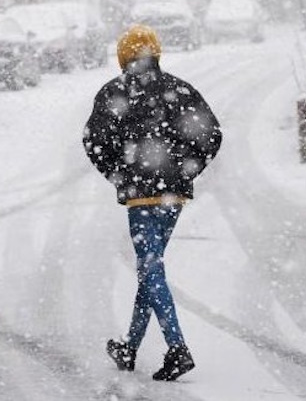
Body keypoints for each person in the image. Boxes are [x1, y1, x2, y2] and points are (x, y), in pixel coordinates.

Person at [82, 24, 222, 382]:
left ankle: (177, 347)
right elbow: (211, 134)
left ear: (123, 57)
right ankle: (130, 345)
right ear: (156, 53)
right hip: (174, 195)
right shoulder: (180, 90)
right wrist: (187, 169)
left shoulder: (115, 92)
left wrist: (119, 173)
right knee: (151, 268)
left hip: (142, 197)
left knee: (150, 268)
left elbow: (93, 141)